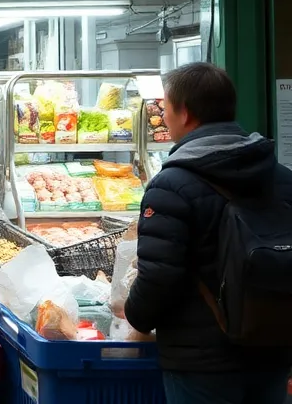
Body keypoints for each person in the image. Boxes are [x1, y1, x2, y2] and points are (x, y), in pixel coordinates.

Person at [124, 63, 292, 404]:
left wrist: (135, 318)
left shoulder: (171, 186)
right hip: (273, 346)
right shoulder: (282, 177)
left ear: (184, 113)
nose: (165, 116)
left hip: (201, 362)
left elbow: (159, 277)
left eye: (166, 107)